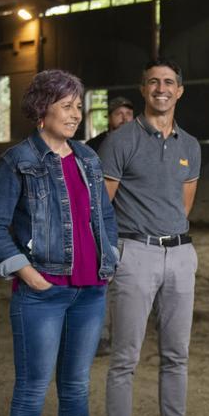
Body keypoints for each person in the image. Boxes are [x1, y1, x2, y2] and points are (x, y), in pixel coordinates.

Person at [0, 69, 118, 416]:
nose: (76, 114)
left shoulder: (88, 159)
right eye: (66, 105)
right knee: (32, 390)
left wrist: (108, 260)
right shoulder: (16, 161)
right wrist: (27, 273)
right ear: (42, 110)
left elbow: (106, 218)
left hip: (89, 293)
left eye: (79, 106)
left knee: (76, 389)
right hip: (41, 294)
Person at [99, 60, 207, 416]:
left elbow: (184, 206)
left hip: (180, 255)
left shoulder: (191, 145)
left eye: (169, 83)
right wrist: (121, 253)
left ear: (179, 91)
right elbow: (102, 208)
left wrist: (170, 245)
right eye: (153, 82)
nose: (161, 89)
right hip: (134, 253)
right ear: (143, 89)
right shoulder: (119, 141)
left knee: (177, 356)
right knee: (125, 359)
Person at [87, 96, 135, 357]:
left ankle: (125, 338)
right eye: (119, 113)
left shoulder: (140, 144)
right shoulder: (93, 147)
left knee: (129, 285)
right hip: (103, 224)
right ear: (109, 117)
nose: (125, 118)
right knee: (101, 280)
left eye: (129, 113)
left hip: (131, 224)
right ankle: (101, 337)